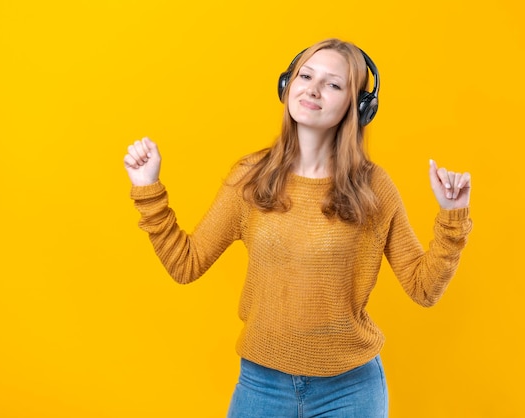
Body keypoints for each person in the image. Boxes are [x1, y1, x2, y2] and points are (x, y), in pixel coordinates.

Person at [124, 38, 472, 418]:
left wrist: (452, 218)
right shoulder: (250, 177)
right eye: (305, 75)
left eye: (333, 84)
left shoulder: (374, 188)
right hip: (262, 384)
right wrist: (148, 190)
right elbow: (185, 265)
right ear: (286, 84)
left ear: (358, 108)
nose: (313, 89)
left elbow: (423, 289)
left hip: (350, 389)